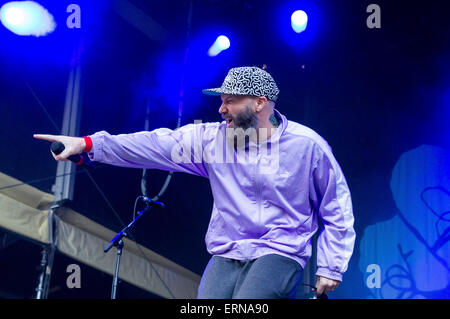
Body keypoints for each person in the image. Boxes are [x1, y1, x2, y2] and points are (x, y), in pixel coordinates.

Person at [34, 66, 355, 299]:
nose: (221, 109)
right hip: (228, 250)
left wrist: (331, 267)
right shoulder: (211, 140)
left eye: (230, 101)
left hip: (280, 250)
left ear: (259, 103)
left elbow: (335, 206)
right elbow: (153, 144)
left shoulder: (307, 145)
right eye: (221, 100)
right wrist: (89, 144)